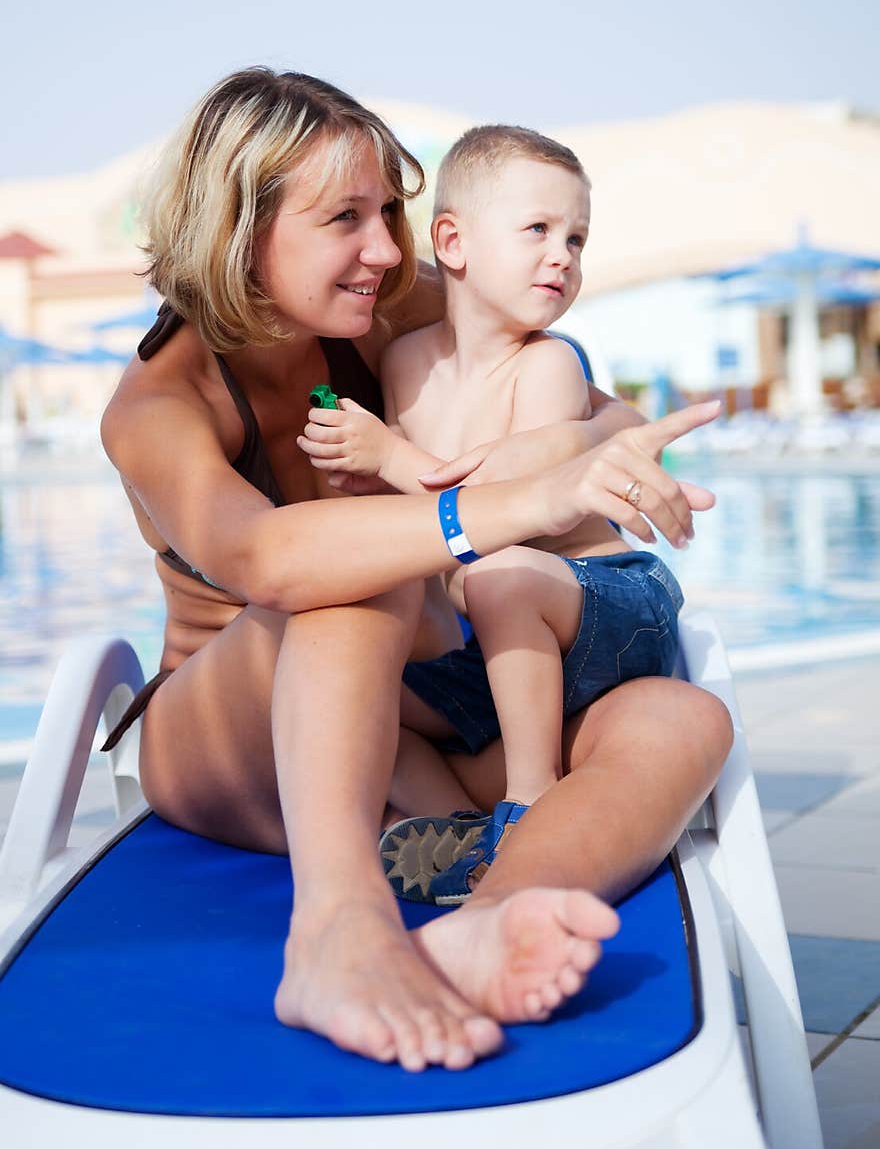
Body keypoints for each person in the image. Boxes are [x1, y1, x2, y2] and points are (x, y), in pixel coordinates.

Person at [100, 66, 732, 1076]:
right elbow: (266, 558)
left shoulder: (382, 309)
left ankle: (488, 916)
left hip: (418, 713)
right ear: (239, 227)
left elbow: (581, 404)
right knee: (363, 569)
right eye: (345, 218)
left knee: (680, 720)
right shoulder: (161, 403)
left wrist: (601, 448)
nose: (387, 249)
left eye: (390, 211)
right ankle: (335, 933)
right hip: (238, 741)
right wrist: (521, 500)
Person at [298, 124, 687, 905]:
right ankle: (465, 837)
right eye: (539, 230)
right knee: (380, 706)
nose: (564, 256)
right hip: (504, 649)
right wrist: (356, 476)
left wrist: (388, 456)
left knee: (503, 576)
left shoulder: (547, 363)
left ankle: (532, 800)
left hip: (603, 606)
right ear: (453, 242)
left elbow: (522, 521)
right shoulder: (407, 363)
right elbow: (426, 514)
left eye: (577, 238)